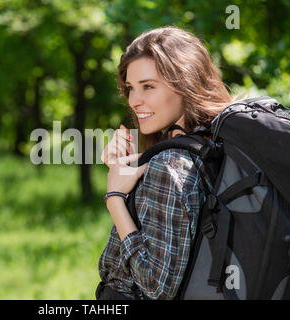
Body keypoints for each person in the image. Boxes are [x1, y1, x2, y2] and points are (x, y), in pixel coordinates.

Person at [97, 26, 234, 300]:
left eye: (148, 86)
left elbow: (157, 287)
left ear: (184, 83)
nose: (134, 101)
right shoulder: (212, 144)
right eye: (130, 88)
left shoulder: (169, 165)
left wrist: (115, 197)